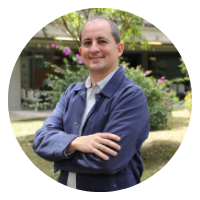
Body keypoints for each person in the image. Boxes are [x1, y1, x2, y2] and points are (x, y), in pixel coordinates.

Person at [32, 16, 150, 192]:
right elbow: (41, 140)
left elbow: (108, 160)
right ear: (81, 51)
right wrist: (75, 142)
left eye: (102, 41)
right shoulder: (72, 93)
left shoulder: (131, 96)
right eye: (87, 43)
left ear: (119, 49)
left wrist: (60, 153)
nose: (94, 48)